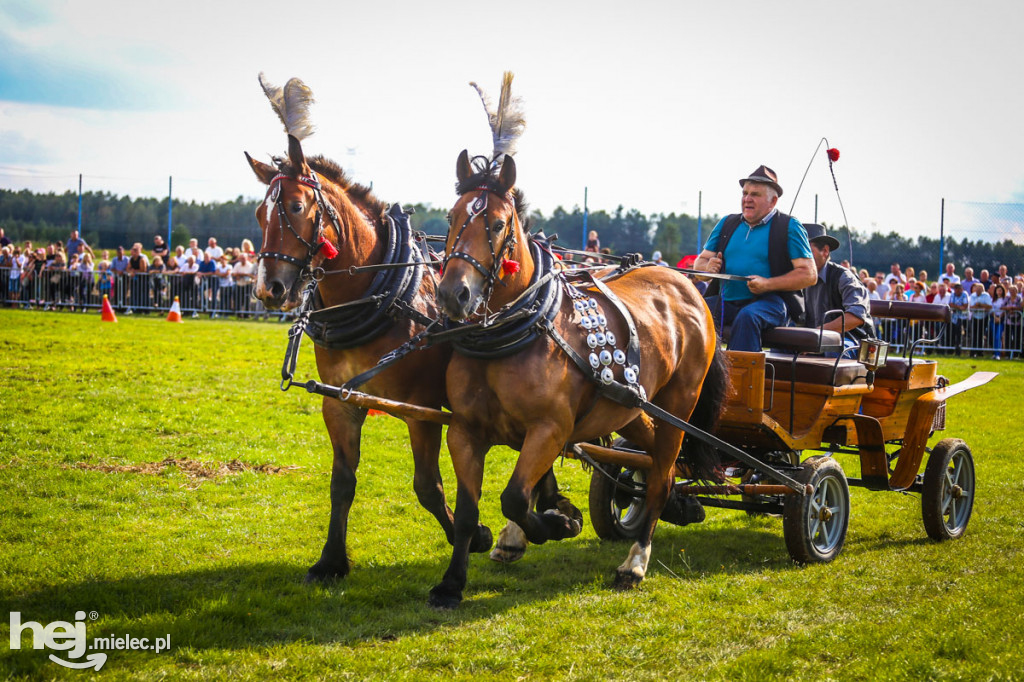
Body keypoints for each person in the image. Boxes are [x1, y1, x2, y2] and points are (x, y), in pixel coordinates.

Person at [693, 165, 815, 352]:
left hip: (772, 303)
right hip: (727, 301)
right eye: (745, 193)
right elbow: (700, 264)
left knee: (748, 317)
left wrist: (768, 284)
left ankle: (741, 379)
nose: (747, 199)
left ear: (773, 201)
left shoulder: (790, 226)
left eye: (755, 195)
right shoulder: (727, 223)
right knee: (690, 310)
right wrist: (707, 269)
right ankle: (695, 377)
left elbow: (809, 275)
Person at [801, 224, 873, 354]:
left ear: (825, 251)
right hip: (812, 340)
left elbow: (856, 316)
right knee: (780, 348)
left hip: (851, 341)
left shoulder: (844, 277)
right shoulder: (796, 279)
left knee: (831, 348)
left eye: (807, 250)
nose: (801, 255)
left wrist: (817, 333)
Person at [968, 282, 991, 357]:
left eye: (980, 289)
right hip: (974, 317)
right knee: (974, 335)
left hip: (984, 317)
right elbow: (971, 307)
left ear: (983, 290)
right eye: (977, 289)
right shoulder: (972, 295)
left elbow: (989, 306)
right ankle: (973, 352)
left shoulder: (986, 295)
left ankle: (980, 352)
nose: (978, 290)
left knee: (981, 335)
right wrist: (978, 306)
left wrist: (980, 305)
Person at [947, 282, 970, 355]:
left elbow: (965, 306)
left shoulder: (964, 294)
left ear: (961, 289)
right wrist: (959, 307)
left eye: (959, 289)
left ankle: (958, 351)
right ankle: (950, 351)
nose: (958, 291)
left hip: (963, 318)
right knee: (952, 334)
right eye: (956, 289)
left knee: (960, 335)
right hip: (954, 318)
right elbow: (950, 305)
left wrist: (956, 306)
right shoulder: (952, 294)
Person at [990, 284, 1007, 360]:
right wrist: (995, 317)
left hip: (1001, 320)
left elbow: (1004, 309)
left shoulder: (1005, 299)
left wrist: (1000, 318)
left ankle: (998, 354)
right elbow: (991, 309)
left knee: (998, 336)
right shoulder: (993, 300)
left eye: (1000, 290)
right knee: (994, 337)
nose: (999, 292)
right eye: (998, 290)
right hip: (993, 319)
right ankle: (994, 353)